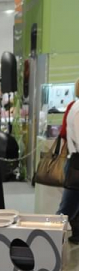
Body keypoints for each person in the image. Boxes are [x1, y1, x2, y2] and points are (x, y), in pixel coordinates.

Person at [57, 79, 79, 244]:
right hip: (78, 164)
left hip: (76, 162)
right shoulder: (80, 109)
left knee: (70, 207)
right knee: (66, 210)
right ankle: (47, 242)